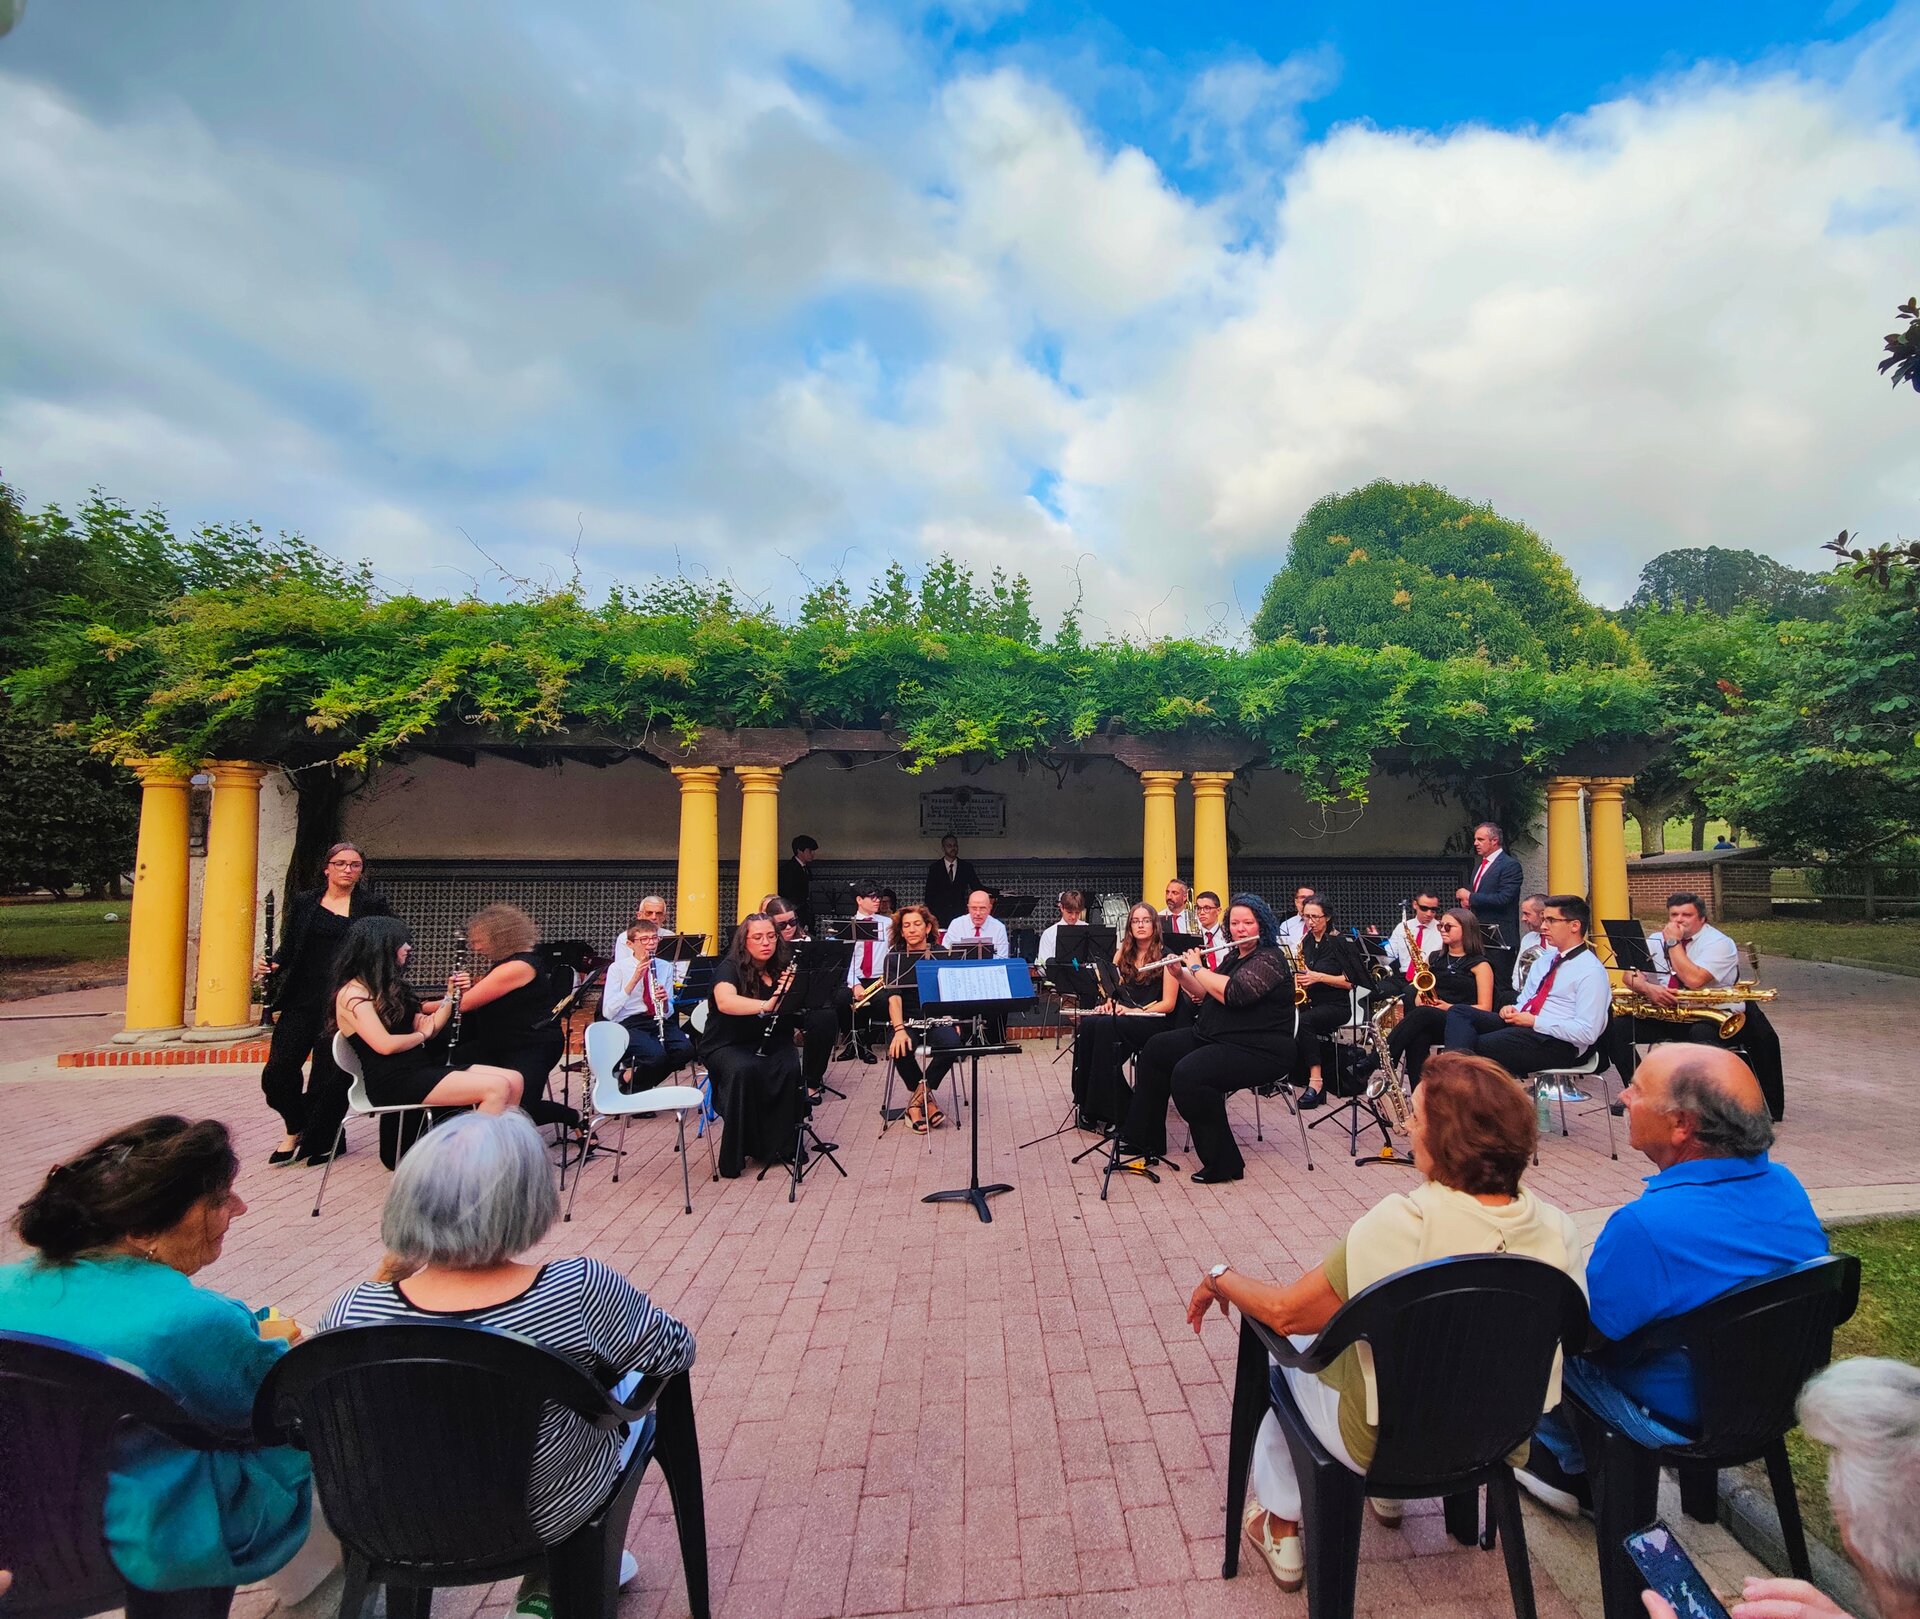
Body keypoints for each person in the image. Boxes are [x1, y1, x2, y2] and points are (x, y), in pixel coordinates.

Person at [1186, 1053, 1585, 1591]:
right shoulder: (1558, 1229)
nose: (1407, 1128)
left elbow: (1283, 1311)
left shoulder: (1403, 1221)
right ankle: (1391, 1499)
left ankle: (1281, 1520)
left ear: (1445, 1141)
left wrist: (1219, 1277)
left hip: (1383, 1440)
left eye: (1416, 1119)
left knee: (1287, 1357)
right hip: (1498, 1434)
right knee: (1423, 1337)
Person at [318, 1110, 695, 1616]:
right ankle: (550, 1583)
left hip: (397, 1519)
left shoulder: (351, 1314)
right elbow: (674, 1351)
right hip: (539, 1516)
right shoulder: (576, 1288)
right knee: (615, 1382)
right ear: (529, 1201)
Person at [0, 1116, 327, 1598]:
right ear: (141, 1227)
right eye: (219, 1198)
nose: (240, 1206)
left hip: (21, 1514)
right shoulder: (190, 1320)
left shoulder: (9, 1286)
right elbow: (274, 1409)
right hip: (150, 1533)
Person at [1516, 1045, 1825, 1516]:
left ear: (1682, 1125)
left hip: (1679, 1416)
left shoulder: (1647, 1227)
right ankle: (1688, 1498)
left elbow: (1581, 1338)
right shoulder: (1785, 1185)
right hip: (1774, 1400)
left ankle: (1566, 1467)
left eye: (1638, 1089)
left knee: (1538, 1347)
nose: (1623, 1096)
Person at [1119, 893, 1297, 1185]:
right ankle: (1144, 1139)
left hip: (1260, 1048)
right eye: (1235, 923)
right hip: (1218, 1035)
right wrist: (1180, 974)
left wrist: (1199, 967)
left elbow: (1235, 994)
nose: (1240, 929)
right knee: (1156, 1049)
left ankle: (1224, 1162)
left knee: (1190, 1075)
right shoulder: (1234, 956)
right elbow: (1207, 995)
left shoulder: (1270, 960)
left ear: (1261, 925)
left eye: (1248, 923)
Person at [257, 841, 392, 1168]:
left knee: (328, 1077)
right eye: (342, 863)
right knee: (278, 1072)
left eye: (355, 865)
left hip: (345, 1002)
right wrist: (273, 964)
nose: (349, 870)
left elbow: (392, 944)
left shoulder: (372, 905)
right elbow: (291, 946)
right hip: (302, 998)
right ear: (327, 868)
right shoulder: (305, 902)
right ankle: (297, 1125)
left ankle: (320, 1139)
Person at [1612, 891, 1786, 1121]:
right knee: (1616, 1028)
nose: (1678, 920)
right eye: (1674, 914)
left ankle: (1700, 1105)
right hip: (1670, 1012)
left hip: (1712, 1015)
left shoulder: (1719, 943)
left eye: (1686, 915)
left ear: (1702, 919)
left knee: (1701, 1035)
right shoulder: (1656, 939)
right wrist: (1648, 989)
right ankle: (1642, 1091)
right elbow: (1629, 976)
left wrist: (1674, 943)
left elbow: (1694, 980)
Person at [330, 916, 522, 1120]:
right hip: (392, 1080)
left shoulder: (390, 989)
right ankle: (473, 1151)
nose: (408, 948)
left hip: (419, 1067)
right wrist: (421, 1035)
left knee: (514, 1079)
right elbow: (385, 1045)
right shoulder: (353, 994)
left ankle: (502, 1149)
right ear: (381, 947)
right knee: (496, 1087)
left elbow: (432, 1026)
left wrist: (451, 994)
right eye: (401, 942)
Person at [1442, 893, 1610, 1076]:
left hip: (1556, 1043)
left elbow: (1587, 1032)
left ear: (1574, 926)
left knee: (1471, 1044)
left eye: (1551, 920)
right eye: (1544, 919)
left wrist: (1535, 1021)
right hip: (1525, 1026)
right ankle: (1457, 1083)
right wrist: (1513, 1009)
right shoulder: (1543, 962)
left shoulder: (1590, 970)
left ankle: (1453, 1085)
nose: (1544, 926)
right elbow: (1526, 999)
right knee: (1459, 1012)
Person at [450, 904, 576, 1129]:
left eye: (480, 940)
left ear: (500, 937)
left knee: (518, 1110)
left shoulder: (519, 966)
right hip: (502, 1044)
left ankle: (572, 1117)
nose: (475, 947)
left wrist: (421, 1007)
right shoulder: (506, 963)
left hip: (531, 1045)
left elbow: (465, 1003)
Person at [703, 912, 807, 1178]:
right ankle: (736, 1154)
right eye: (758, 937)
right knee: (745, 1070)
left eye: (771, 936)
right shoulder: (730, 967)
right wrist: (767, 1004)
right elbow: (725, 1001)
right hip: (728, 1043)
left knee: (789, 1067)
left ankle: (782, 1147)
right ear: (744, 941)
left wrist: (793, 991)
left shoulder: (784, 965)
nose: (766, 943)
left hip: (772, 1039)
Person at [1071, 903, 1178, 1133]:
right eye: (1135, 921)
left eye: (1145, 920)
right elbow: (1115, 992)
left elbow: (1168, 1004)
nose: (1140, 925)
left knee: (1105, 1029)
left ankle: (1115, 1109)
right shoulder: (1123, 954)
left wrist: (1135, 1011)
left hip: (1154, 1019)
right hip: (1126, 1017)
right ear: (1129, 926)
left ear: (1154, 925)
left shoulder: (1168, 956)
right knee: (1089, 1025)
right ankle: (1087, 1104)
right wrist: (1109, 1003)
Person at [1387, 907, 1495, 1088]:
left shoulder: (1480, 965)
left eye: (1448, 927)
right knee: (1418, 1035)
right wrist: (1419, 998)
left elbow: (1486, 1008)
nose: (1442, 930)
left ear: (1466, 930)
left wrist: (1449, 1007)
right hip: (1433, 1018)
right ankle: (1419, 1097)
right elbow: (1422, 989)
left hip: (1461, 1021)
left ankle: (1381, 1058)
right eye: (1440, 926)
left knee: (1423, 1015)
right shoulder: (1435, 958)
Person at [882, 904, 963, 1132]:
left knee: (952, 1044)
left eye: (917, 924)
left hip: (937, 1018)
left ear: (928, 927)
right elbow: (894, 998)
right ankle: (927, 1102)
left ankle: (916, 1103)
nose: (912, 929)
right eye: (906, 925)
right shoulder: (894, 958)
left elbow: (951, 992)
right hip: (907, 1020)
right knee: (900, 1047)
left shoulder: (941, 954)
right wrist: (898, 1030)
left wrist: (953, 1019)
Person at [1291, 893, 1367, 1111]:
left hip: (1336, 1006)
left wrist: (1318, 977)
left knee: (1305, 1021)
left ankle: (1316, 1081)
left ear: (1327, 917)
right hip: (1312, 1001)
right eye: (1306, 917)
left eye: (1315, 917)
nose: (1310, 922)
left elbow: (1351, 982)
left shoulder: (1339, 942)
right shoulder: (1305, 942)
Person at [599, 919, 692, 1090]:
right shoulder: (617, 968)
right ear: (630, 944)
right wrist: (634, 979)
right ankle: (640, 1090)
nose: (650, 944)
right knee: (655, 1057)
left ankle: (628, 1079)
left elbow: (668, 1011)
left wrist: (664, 1002)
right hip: (630, 1022)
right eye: (644, 939)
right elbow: (609, 1012)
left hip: (658, 1019)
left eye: (654, 938)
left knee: (685, 1051)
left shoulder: (664, 966)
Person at [1457, 821, 1523, 954]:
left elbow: (1504, 898)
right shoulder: (1479, 865)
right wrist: (1468, 902)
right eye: (1475, 839)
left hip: (1500, 937)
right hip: (1478, 935)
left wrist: (1470, 897)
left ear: (1494, 841)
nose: (1475, 843)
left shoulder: (1510, 865)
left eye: (1480, 839)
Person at [923, 835, 982, 927]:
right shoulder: (935, 868)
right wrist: (933, 915)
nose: (953, 848)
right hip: (940, 916)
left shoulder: (966, 867)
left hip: (959, 914)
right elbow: (929, 895)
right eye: (949, 846)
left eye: (955, 845)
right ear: (943, 848)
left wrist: (1000, 892)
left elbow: (977, 887)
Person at [1383, 892, 1443, 983]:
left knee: (1409, 993)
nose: (1429, 914)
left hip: (1427, 977)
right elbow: (1388, 957)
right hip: (1403, 976)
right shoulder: (1402, 926)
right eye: (1424, 908)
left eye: (1433, 910)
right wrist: (1376, 945)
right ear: (1415, 905)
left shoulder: (1442, 929)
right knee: (1375, 993)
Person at [942, 890, 1009, 956]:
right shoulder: (956, 925)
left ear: (989, 908)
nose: (978, 913)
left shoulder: (999, 928)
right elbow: (946, 954)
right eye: (974, 908)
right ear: (968, 908)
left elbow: (1002, 958)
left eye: (982, 908)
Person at [776, 835, 819, 931]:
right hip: (795, 913)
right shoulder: (788, 869)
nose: (813, 854)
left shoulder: (806, 868)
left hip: (806, 913)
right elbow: (786, 892)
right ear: (800, 851)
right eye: (810, 851)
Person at [1511, 893, 1549, 995]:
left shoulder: (1560, 941)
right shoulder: (1528, 939)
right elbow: (1517, 972)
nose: (1523, 919)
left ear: (1542, 914)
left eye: (1527, 914)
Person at [1037, 890, 1087, 964]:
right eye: (1069, 912)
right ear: (1061, 908)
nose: (1073, 917)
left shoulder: (1087, 929)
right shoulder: (1049, 933)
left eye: (1077, 912)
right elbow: (1042, 964)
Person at [1191, 892, 1228, 968]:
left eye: (1207, 908)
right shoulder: (1193, 936)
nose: (1201, 913)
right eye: (1198, 908)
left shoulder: (1228, 934)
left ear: (1218, 911)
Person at [1278, 885, 1314, 951]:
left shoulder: (1321, 922)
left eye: (1310, 897)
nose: (1306, 900)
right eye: (1303, 897)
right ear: (1296, 901)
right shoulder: (1286, 925)